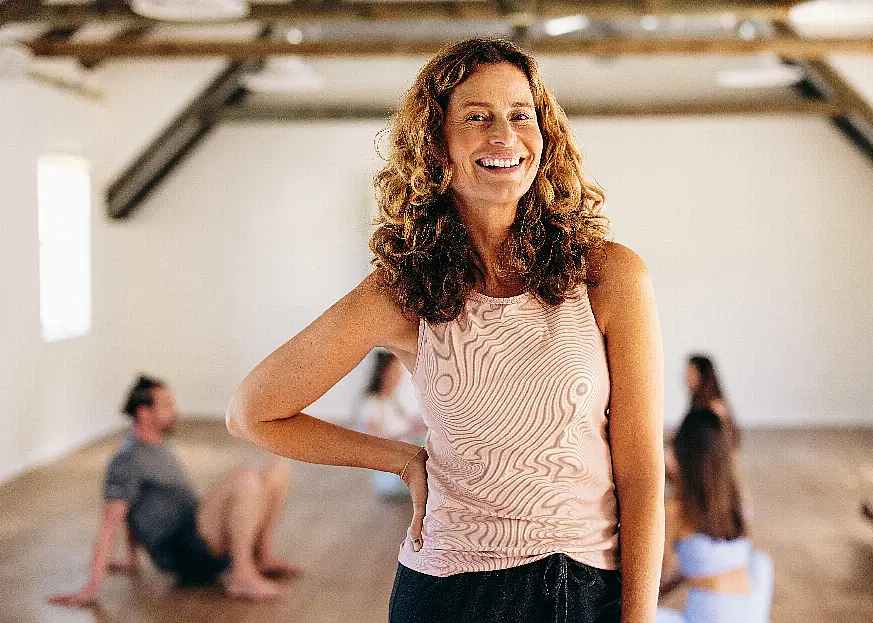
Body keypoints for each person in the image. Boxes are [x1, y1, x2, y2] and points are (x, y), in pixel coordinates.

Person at [227, 37, 664, 623]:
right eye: (476, 118)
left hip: (584, 589)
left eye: (520, 116)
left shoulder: (609, 275)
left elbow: (640, 475)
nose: (504, 137)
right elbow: (252, 412)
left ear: (544, 134)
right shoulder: (400, 291)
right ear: (437, 145)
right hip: (450, 594)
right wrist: (400, 460)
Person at [48, 375, 301, 606]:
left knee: (279, 467)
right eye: (167, 405)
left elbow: (133, 509)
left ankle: (263, 555)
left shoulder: (157, 445)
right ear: (144, 412)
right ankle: (241, 575)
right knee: (244, 477)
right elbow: (110, 521)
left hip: (198, 529)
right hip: (184, 549)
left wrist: (131, 559)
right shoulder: (127, 460)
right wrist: (91, 586)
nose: (174, 410)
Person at [657, 408, 773, 623]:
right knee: (759, 560)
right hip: (752, 611)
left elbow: (655, 582)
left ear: (682, 455)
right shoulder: (736, 499)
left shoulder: (676, 510)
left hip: (711, 616)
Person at [354, 350, 427, 498]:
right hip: (390, 476)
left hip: (403, 466)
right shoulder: (372, 404)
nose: (398, 377)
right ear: (382, 373)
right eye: (394, 372)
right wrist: (409, 433)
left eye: (399, 372)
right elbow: (373, 441)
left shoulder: (393, 402)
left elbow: (410, 424)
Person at [666, 355, 737, 482]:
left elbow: (726, 445)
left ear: (702, 375)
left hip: (704, 475)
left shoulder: (715, 409)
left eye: (690, 372)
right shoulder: (697, 405)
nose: (685, 377)